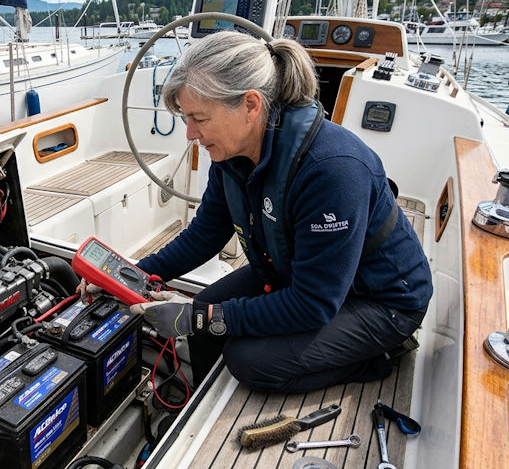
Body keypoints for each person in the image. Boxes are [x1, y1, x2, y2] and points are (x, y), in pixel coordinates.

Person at [127, 31, 432, 393]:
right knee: (208, 307)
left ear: (251, 105)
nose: (191, 133)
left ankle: (373, 359)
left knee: (249, 360)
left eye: (200, 119)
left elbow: (313, 304)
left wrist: (204, 318)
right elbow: (204, 234)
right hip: (299, 273)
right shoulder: (231, 155)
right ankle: (195, 404)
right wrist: (131, 275)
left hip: (380, 300)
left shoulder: (332, 170)